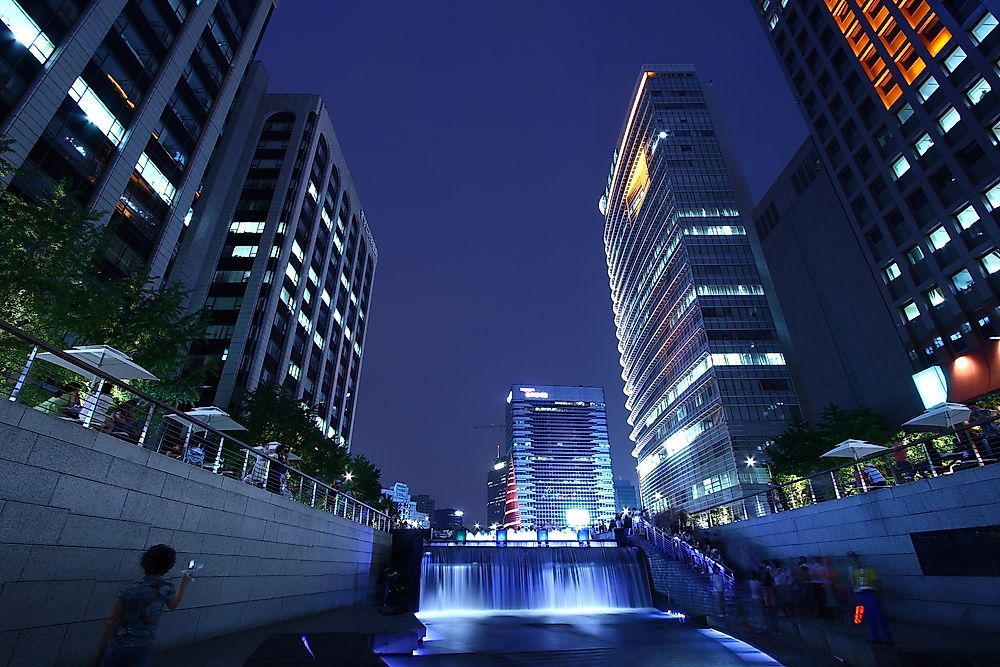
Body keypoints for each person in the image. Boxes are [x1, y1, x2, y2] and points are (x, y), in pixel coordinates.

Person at [95, 544, 193, 666]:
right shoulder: (165, 589)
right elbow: (173, 605)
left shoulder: (129, 588)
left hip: (117, 644)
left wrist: (102, 646)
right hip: (141, 647)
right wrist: (184, 583)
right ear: (168, 567)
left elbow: (113, 620)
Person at [848, 552, 892, 644]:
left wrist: (878, 592)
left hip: (869, 593)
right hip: (860, 594)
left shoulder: (867, 569)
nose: (852, 560)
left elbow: (876, 581)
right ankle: (874, 636)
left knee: (878, 615)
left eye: (853, 558)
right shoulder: (852, 570)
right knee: (868, 617)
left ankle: (886, 637)